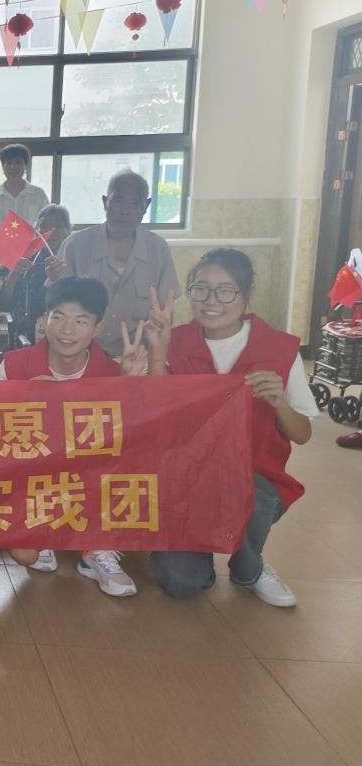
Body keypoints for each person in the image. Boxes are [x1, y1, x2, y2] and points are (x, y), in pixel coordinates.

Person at [146, 249, 315, 608]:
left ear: (247, 293)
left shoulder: (279, 348)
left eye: (225, 291)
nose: (211, 301)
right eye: (200, 289)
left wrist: (279, 403)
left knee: (253, 492)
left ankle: (248, 566)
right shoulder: (174, 340)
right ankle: (201, 552)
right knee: (181, 583)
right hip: (185, 479)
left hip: (253, 480)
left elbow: (302, 434)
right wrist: (157, 356)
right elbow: (155, 415)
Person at [0, 277, 152, 596]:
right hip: (34, 478)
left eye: (80, 321)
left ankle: (96, 549)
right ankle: (48, 532)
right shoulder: (14, 367)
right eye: (59, 317)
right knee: (25, 554)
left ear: (97, 328)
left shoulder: (114, 372)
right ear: (45, 319)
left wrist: (129, 386)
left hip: (89, 479)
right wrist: (23, 397)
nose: (67, 330)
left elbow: (136, 443)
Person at [53, 170, 179, 358]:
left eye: (134, 203)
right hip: (82, 356)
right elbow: (56, 305)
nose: (125, 211)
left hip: (138, 356)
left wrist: (158, 357)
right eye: (118, 201)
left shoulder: (158, 249)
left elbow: (165, 312)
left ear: (146, 206)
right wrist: (53, 279)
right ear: (105, 202)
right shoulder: (75, 245)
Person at [0, 204, 71, 346]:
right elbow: (2, 305)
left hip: (67, 331)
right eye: (44, 226)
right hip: (25, 336)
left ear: (68, 230)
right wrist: (14, 274)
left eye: (57, 226)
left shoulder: (75, 260)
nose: (51, 231)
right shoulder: (26, 260)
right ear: (37, 231)